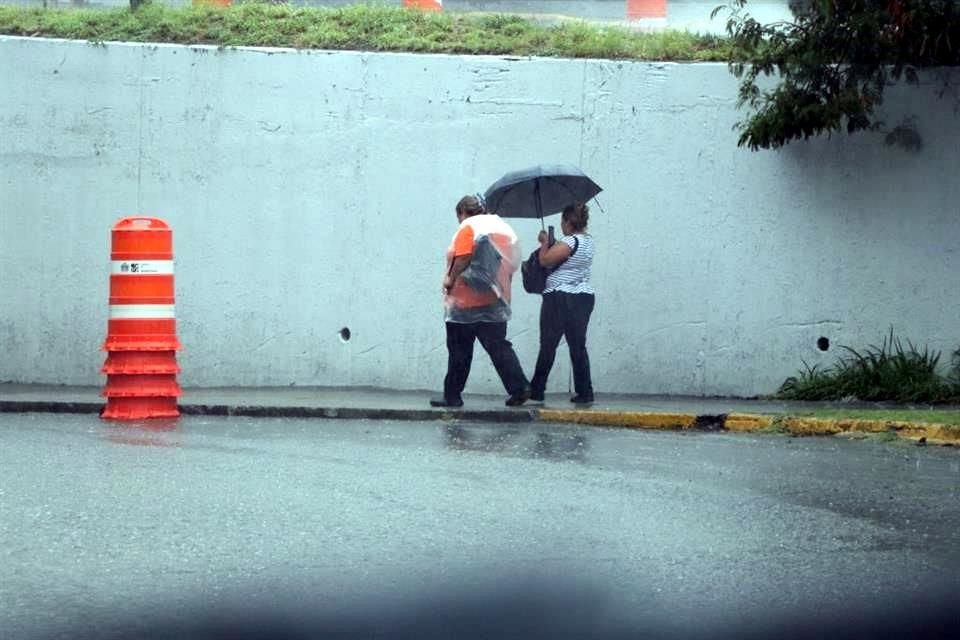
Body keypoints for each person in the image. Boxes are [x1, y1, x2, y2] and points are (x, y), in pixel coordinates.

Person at [431, 195, 532, 408]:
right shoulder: (503, 229)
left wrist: (450, 278)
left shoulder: (469, 227)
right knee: (499, 347)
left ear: (462, 213)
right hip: (495, 302)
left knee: (459, 351)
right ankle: (519, 387)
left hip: (464, 304)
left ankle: (452, 397)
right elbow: (512, 263)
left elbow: (464, 256)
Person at [529, 202, 595, 404]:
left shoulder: (570, 241)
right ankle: (585, 392)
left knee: (548, 345)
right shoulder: (588, 241)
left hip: (559, 297)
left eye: (562, 222)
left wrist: (543, 243)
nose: (561, 226)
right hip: (583, 297)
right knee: (578, 345)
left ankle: (537, 390)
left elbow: (545, 261)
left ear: (568, 221)